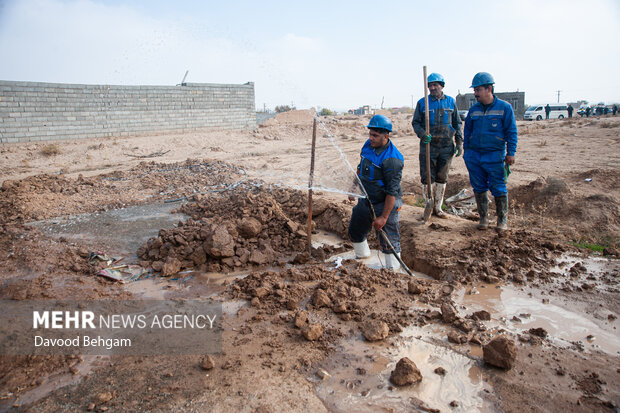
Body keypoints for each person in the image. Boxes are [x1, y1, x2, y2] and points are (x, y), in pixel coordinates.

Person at [463, 72, 518, 234]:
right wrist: (467, 153)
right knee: (479, 188)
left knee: (499, 187)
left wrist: (511, 152)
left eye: (478, 90)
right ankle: (484, 218)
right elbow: (467, 133)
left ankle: (502, 220)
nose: (475, 93)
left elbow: (511, 132)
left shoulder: (505, 108)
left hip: (495, 155)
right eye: (475, 90)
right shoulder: (473, 110)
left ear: (489, 89)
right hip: (474, 156)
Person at [348, 114, 404, 270]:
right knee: (355, 230)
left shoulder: (392, 160)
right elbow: (361, 168)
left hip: (385, 202)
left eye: (375, 135)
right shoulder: (368, 146)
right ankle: (362, 257)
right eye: (370, 134)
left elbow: (392, 193)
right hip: (366, 198)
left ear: (386, 136)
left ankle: (392, 271)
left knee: (389, 240)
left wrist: (384, 217)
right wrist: (353, 188)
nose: (371, 138)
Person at [411, 72, 463, 218]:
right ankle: (428, 205)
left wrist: (459, 142)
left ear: (442, 86)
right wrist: (422, 134)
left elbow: (457, 123)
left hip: (446, 146)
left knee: (442, 177)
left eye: (435, 85)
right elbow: (415, 123)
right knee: (427, 177)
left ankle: (438, 208)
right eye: (430, 85)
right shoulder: (423, 103)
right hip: (428, 146)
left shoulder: (451, 102)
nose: (433, 88)